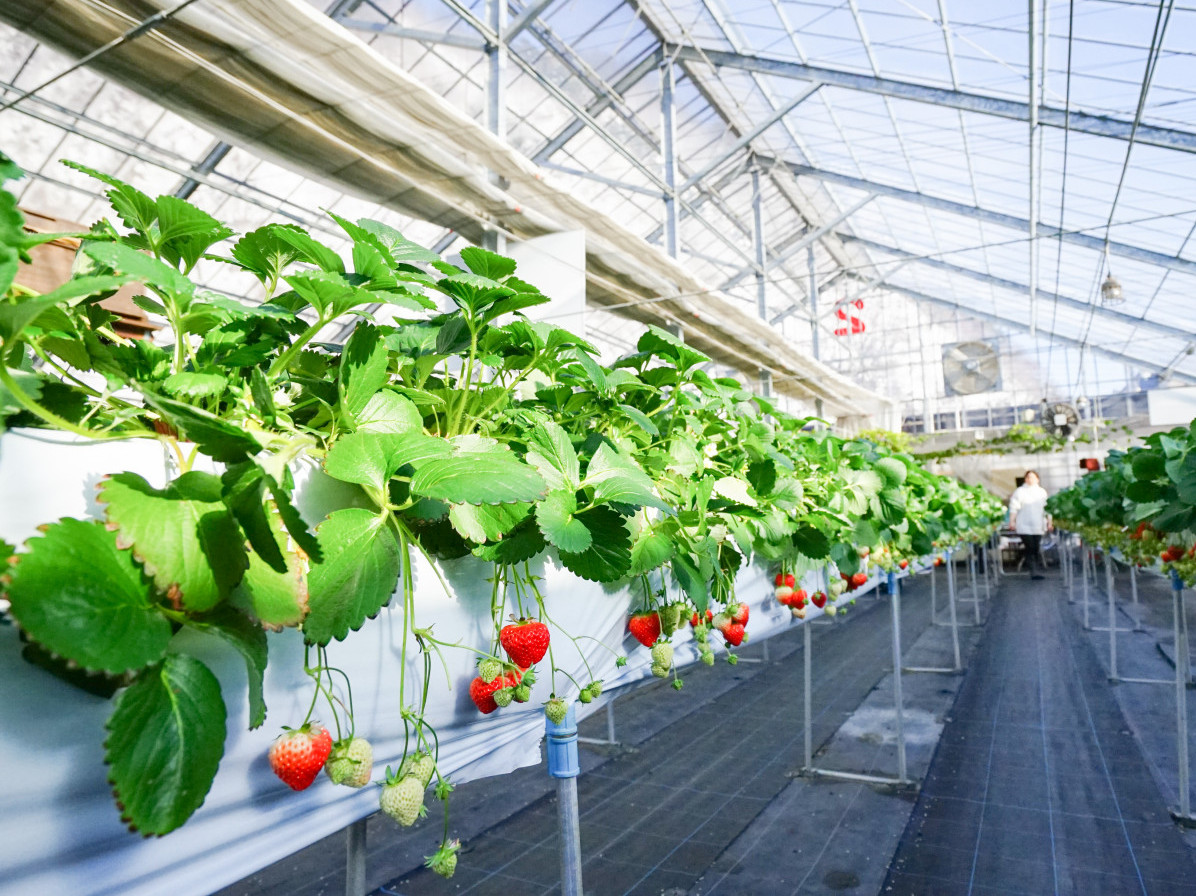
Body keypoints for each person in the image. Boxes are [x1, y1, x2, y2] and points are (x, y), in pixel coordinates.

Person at [1009, 470, 1050, 579]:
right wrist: (1012, 521)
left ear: (1037, 479)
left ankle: (1035, 568)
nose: (1030, 479)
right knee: (1030, 547)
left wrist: (1050, 522)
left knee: (1036, 547)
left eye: (1032, 477)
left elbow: (1047, 509)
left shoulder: (1042, 492)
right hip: (1024, 524)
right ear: (1025, 479)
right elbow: (1014, 507)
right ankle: (1033, 570)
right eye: (1028, 477)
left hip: (1038, 524)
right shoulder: (1020, 491)